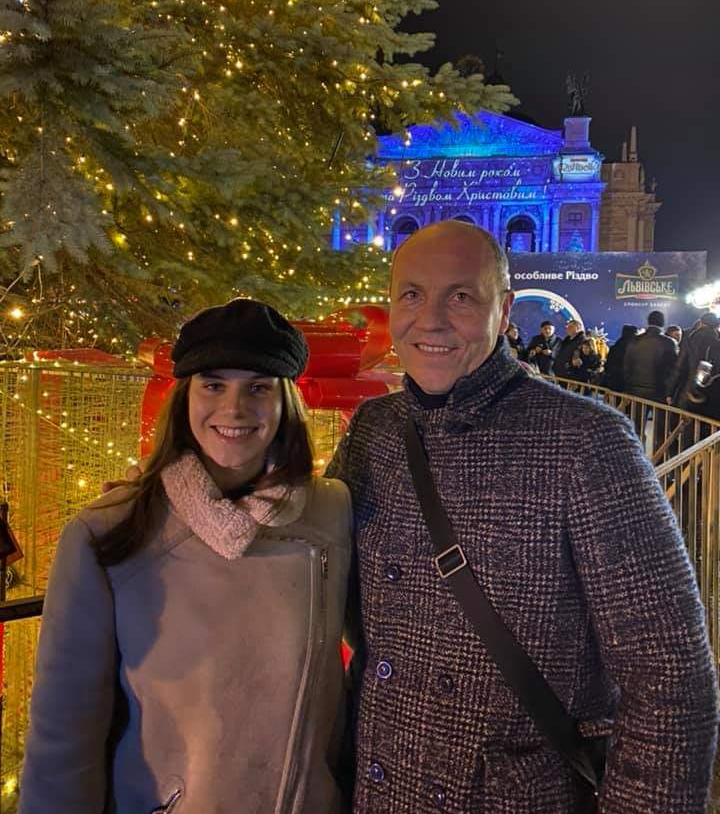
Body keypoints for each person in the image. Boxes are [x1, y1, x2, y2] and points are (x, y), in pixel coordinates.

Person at [327, 221, 717, 812]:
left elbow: (670, 678)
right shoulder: (374, 429)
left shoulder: (585, 440)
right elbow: (318, 565)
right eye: (412, 294)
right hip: (379, 783)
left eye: (461, 296)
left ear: (503, 310)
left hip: (516, 797)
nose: (430, 320)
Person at [20, 299, 352, 814]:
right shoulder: (109, 530)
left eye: (258, 388)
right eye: (213, 385)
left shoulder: (332, 510)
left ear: (286, 401)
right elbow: (64, 731)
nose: (234, 409)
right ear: (185, 397)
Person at [623, 310, 679, 403]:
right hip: (659, 391)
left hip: (635, 389)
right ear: (663, 323)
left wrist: (629, 386)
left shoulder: (634, 340)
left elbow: (627, 366)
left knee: (636, 412)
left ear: (648, 321)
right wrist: (669, 391)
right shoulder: (669, 342)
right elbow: (674, 369)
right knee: (658, 413)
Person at [669, 312, 720, 409]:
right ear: (716, 326)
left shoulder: (690, 340)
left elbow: (679, 369)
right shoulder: (717, 343)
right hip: (711, 394)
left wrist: (670, 392)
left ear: (701, 323)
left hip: (689, 392)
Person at [602, 324, 638, 392]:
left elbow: (608, 365)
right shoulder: (631, 349)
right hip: (625, 384)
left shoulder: (615, 347)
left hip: (612, 383)